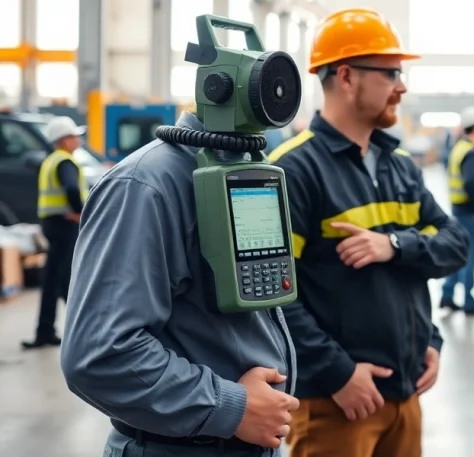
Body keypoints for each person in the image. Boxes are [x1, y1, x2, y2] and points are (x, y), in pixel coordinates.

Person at [268, 7, 469, 457]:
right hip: (337, 404)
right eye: (390, 73)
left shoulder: (400, 168)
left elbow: (456, 244)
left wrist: (395, 248)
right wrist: (338, 373)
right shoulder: (293, 171)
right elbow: (275, 298)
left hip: (406, 391)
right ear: (345, 76)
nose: (402, 86)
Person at [60, 99, 300, 451]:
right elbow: (99, 355)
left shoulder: (246, 167)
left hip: (253, 439)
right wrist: (230, 407)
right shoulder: (144, 184)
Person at [22, 116, 86, 350]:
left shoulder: (51, 161)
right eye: (74, 136)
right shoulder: (65, 162)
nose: (78, 140)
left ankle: (44, 331)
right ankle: (84, 332)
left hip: (51, 223)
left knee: (52, 279)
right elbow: (70, 188)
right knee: (68, 280)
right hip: (64, 225)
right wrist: (79, 211)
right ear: (64, 140)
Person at [439, 106, 474, 315]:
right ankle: (469, 301)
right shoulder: (472, 151)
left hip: (458, 208)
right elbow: (470, 181)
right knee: (471, 256)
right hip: (468, 211)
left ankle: (447, 294)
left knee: (458, 252)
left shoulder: (459, 147)